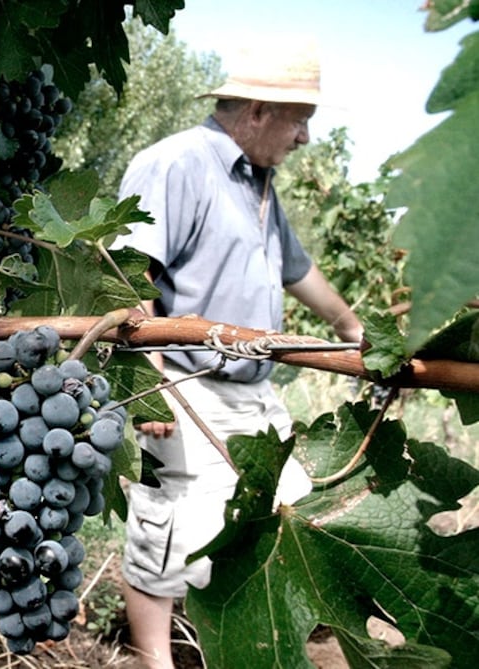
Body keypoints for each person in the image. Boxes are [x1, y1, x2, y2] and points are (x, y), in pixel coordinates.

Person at [111, 40, 364, 669]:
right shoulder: (176, 164)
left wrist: (355, 328)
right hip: (185, 385)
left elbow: (298, 272)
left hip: (255, 392)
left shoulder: (259, 187)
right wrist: (148, 384)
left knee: (289, 512)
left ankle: (236, 638)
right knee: (168, 528)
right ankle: (154, 660)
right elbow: (125, 276)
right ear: (257, 112)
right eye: (300, 120)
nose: (305, 137)